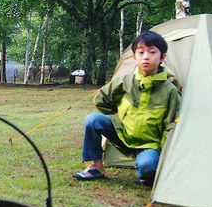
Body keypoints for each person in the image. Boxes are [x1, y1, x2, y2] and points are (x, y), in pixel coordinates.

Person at [73, 30, 180, 185]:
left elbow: (171, 125)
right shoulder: (125, 82)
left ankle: (146, 167)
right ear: (134, 57)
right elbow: (101, 99)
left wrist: (163, 154)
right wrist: (119, 114)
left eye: (152, 52)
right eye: (141, 52)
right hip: (122, 134)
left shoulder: (169, 90)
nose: (146, 57)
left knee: (147, 169)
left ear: (162, 57)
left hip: (149, 144)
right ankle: (97, 168)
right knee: (93, 120)